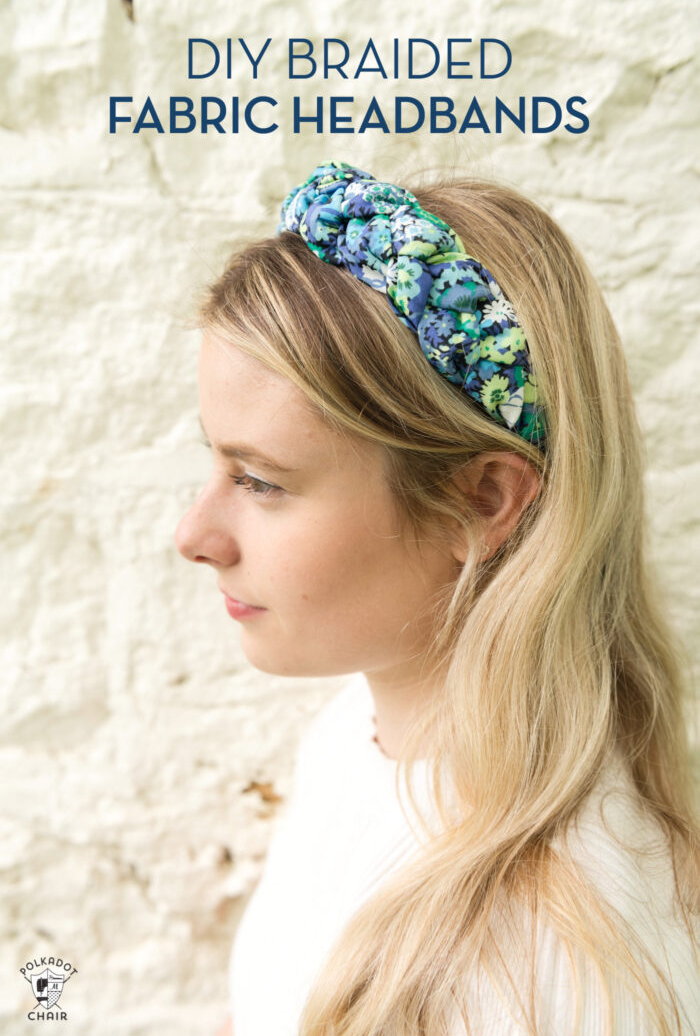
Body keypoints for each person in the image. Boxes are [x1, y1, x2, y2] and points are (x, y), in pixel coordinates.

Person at [174, 161, 700, 1036]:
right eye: (217, 463)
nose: (194, 534)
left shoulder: (550, 969)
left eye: (261, 481)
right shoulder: (357, 731)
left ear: (483, 500)